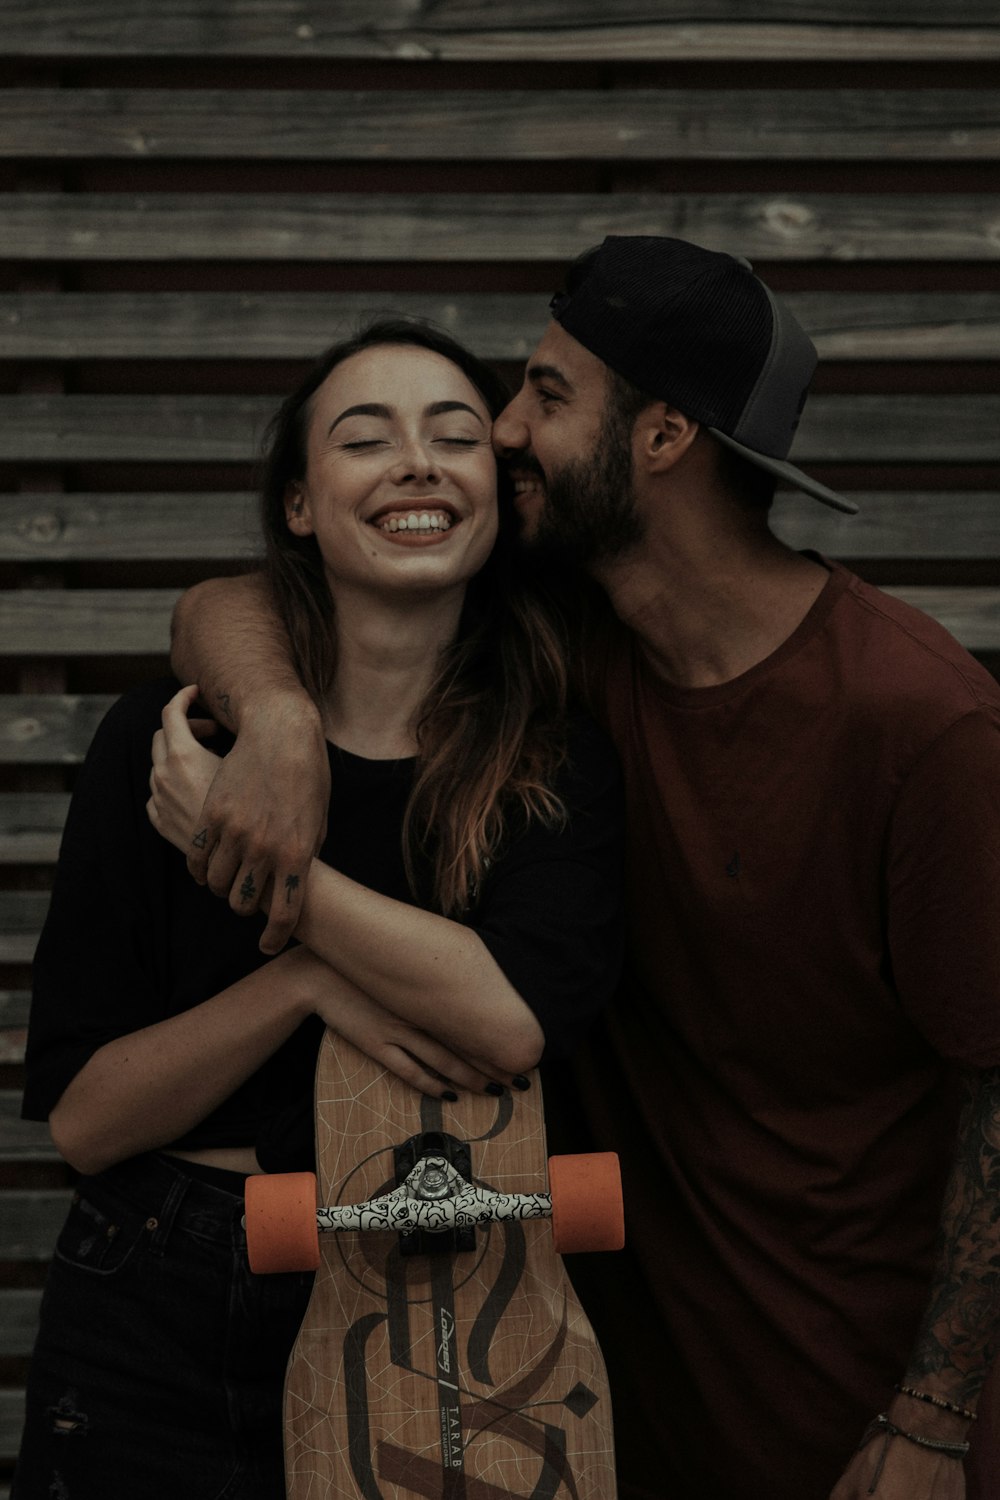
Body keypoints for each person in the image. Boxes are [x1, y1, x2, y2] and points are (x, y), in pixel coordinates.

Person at [165, 238, 1000, 1500]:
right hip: (586, 1401)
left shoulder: (917, 719)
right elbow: (238, 596)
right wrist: (278, 719)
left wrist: (936, 1415)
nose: (501, 429)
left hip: (849, 1415)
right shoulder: (564, 638)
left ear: (661, 439)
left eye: (548, 397)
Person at [14, 318, 625, 1499]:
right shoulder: (173, 742)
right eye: (365, 438)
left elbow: (505, 1023)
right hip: (161, 1283)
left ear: (493, 499)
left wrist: (279, 885)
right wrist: (302, 981)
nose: (416, 461)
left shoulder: (550, 764)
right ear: (300, 505)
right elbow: (87, 1124)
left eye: (455, 437)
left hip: (444, 1284)